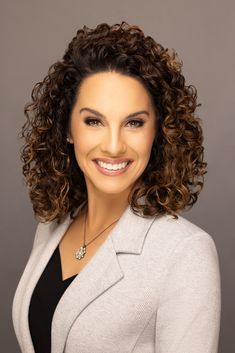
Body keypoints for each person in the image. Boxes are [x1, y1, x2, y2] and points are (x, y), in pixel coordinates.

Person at [12, 21, 221, 353]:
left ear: (159, 131)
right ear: (68, 128)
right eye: (94, 121)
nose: (113, 146)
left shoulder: (185, 252)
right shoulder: (53, 225)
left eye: (134, 123)